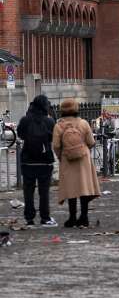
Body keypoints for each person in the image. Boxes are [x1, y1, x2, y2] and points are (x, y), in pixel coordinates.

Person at [52, 99, 101, 228]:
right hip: (83, 159)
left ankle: (72, 217)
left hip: (67, 159)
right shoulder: (83, 123)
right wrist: (83, 149)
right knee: (84, 188)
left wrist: (61, 156)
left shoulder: (58, 126)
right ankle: (84, 216)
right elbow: (91, 142)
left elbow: (56, 145)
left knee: (70, 189)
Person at [17, 95, 57, 226]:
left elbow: (21, 135)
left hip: (28, 160)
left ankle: (29, 218)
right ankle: (45, 217)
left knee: (28, 191)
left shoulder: (25, 120)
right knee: (44, 191)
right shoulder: (49, 121)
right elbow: (53, 137)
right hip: (45, 161)